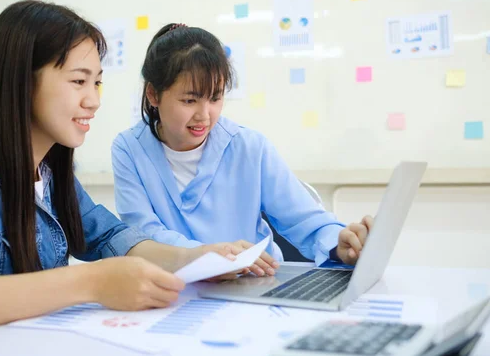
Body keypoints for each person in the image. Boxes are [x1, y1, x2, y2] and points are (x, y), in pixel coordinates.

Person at [0, 3, 238, 342]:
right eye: (78, 81)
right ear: (23, 83)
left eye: (97, 83)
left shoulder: (51, 175)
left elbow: (107, 237)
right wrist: (88, 282)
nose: (94, 100)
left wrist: (193, 258)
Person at [111, 23, 373, 277]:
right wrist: (205, 256)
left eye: (215, 98)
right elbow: (143, 235)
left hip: (253, 284)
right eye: (189, 100)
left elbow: (305, 220)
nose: (204, 115)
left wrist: (338, 243)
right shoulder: (129, 150)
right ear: (154, 95)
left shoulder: (249, 147)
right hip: (174, 288)